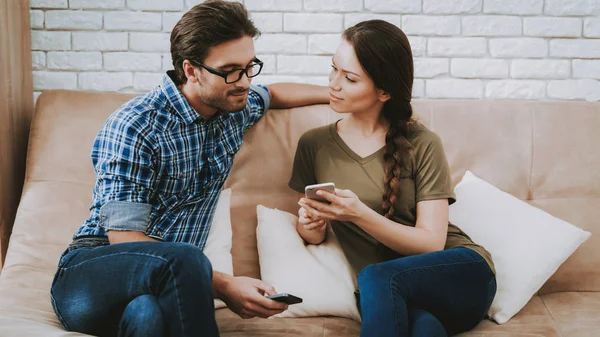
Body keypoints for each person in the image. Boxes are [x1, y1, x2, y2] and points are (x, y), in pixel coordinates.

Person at [50, 1, 329, 336]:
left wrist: (341, 94)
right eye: (230, 70)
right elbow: (123, 239)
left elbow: (274, 93)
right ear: (191, 70)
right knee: (184, 257)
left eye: (249, 66)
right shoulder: (136, 126)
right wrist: (225, 285)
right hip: (92, 274)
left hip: (159, 292)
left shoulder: (232, 107)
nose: (242, 81)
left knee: (146, 315)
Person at [289, 20, 496, 337]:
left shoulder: (423, 143)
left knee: (374, 277)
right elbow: (313, 236)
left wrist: (359, 214)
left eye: (350, 78)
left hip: (459, 276)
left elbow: (431, 243)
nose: (334, 83)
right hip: (388, 296)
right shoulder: (313, 144)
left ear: (384, 91)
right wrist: (311, 224)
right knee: (424, 329)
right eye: (333, 69)